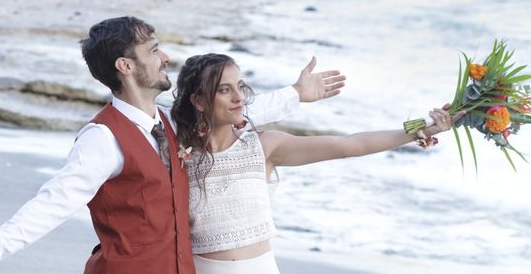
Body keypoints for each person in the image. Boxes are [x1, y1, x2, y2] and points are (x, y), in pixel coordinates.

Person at [0, 16, 346, 274]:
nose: (166, 57)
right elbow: (56, 200)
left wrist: (296, 94)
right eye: (154, 50)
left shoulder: (171, 121)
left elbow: (234, 109)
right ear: (125, 66)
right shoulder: (103, 138)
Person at [170, 53, 464, 274]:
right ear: (198, 101)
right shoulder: (176, 154)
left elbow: (349, 145)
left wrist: (422, 129)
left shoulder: (264, 146)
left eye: (240, 86)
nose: (239, 98)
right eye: (225, 90)